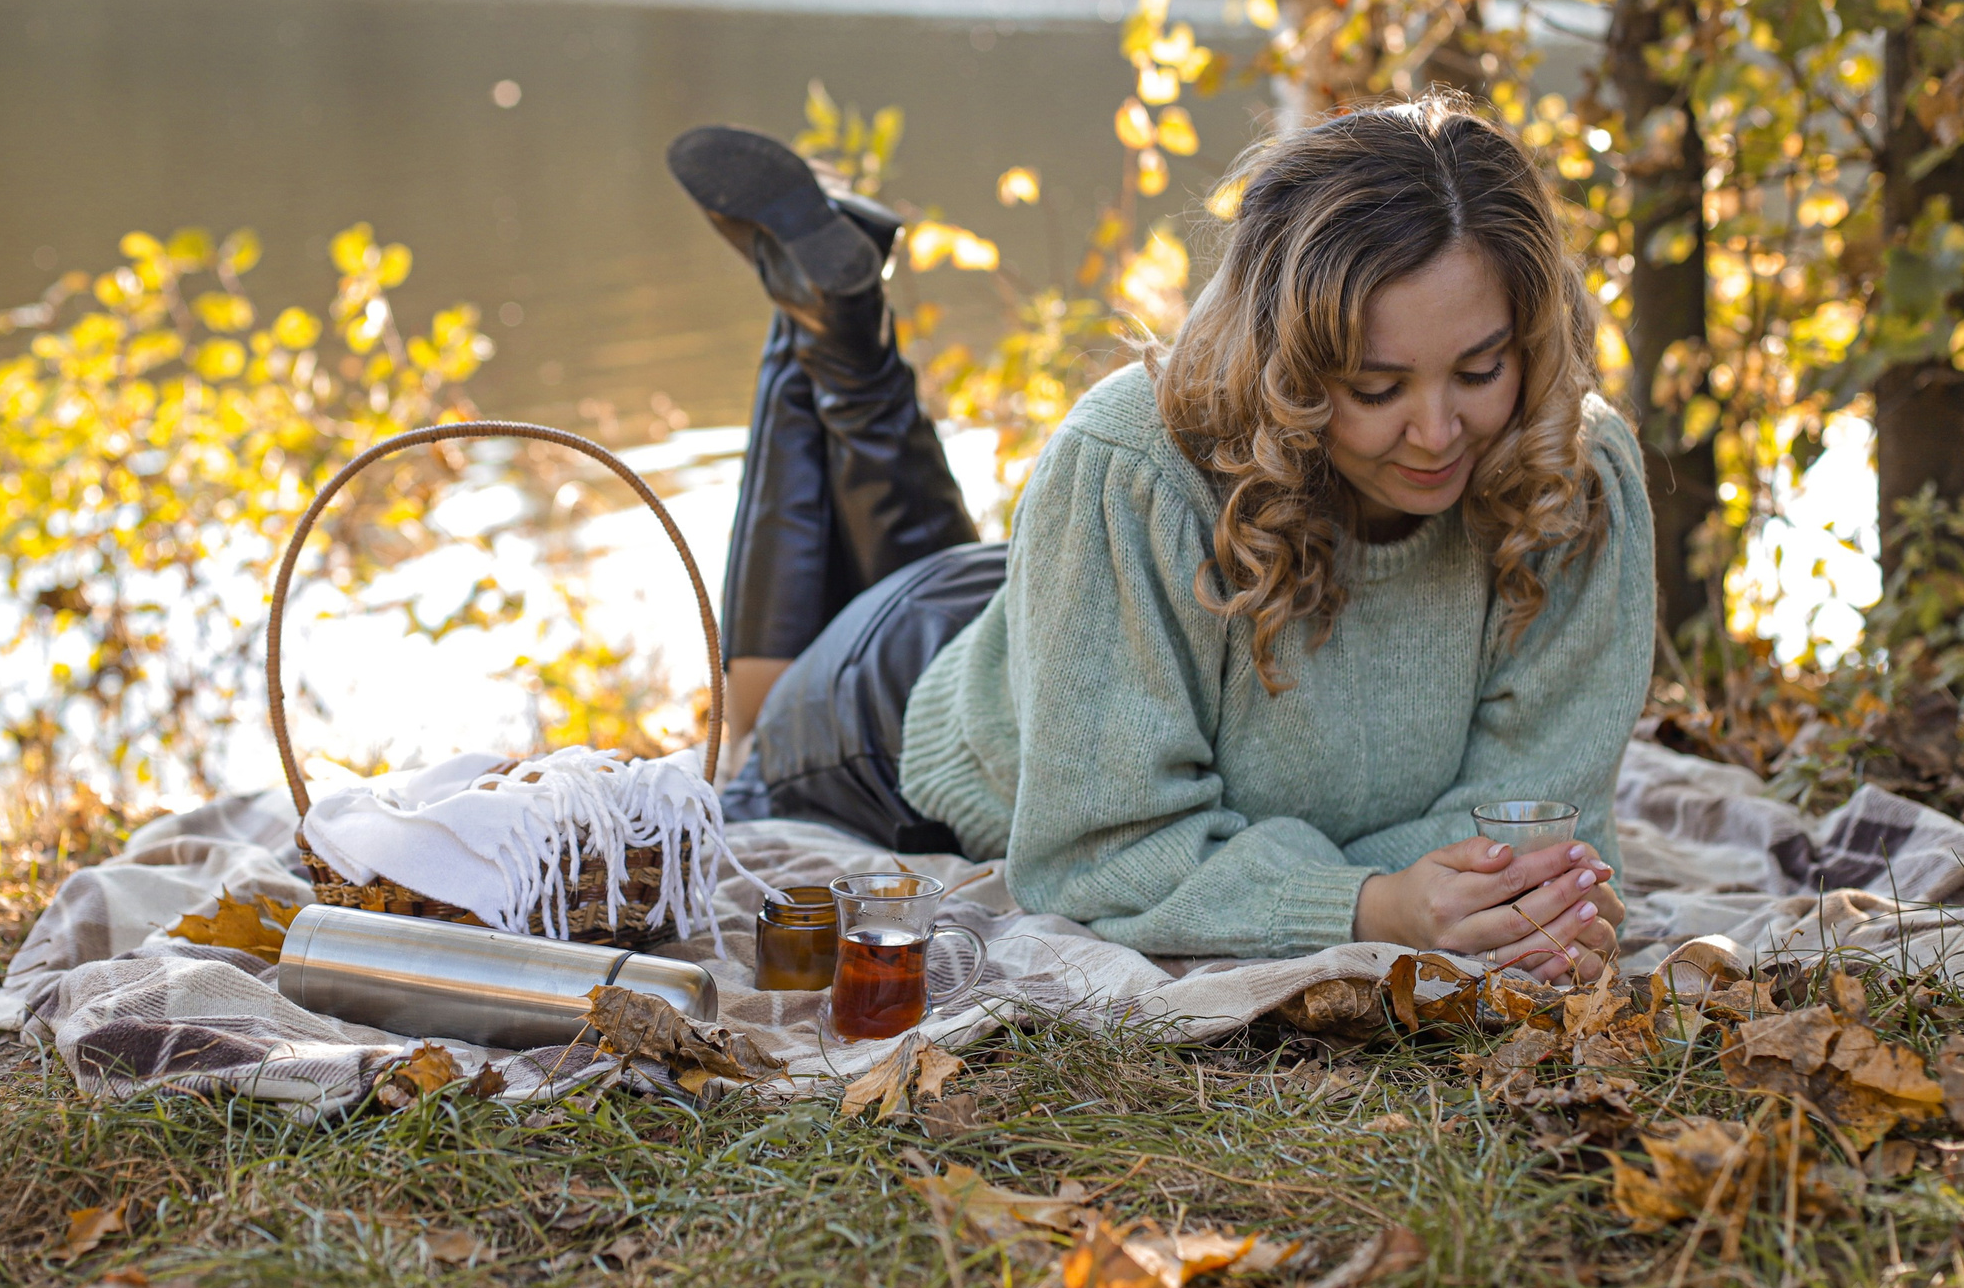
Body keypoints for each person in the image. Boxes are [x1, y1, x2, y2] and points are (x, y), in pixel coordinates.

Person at [667, 94, 1654, 982]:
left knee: (978, 556)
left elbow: (1536, 825)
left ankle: (837, 319)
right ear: (1286, 366)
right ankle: (829, 328)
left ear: (1530, 338)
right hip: (892, 711)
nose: (1437, 434)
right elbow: (1097, 853)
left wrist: (1487, 896)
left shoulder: (1577, 470)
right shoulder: (1125, 466)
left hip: (1085, 628)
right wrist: (1372, 905)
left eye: (1480, 371)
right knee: (757, 703)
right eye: (1375, 388)